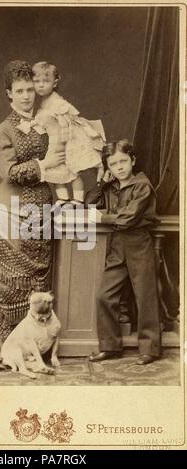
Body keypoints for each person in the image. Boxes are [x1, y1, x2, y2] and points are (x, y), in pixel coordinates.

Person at [0, 61, 64, 368]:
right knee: (8, 280)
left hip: (42, 208)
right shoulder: (3, 129)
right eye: (19, 91)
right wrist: (46, 164)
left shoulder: (48, 121)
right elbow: (8, 172)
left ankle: (33, 348)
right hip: (11, 209)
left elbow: (67, 155)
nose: (26, 96)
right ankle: (1, 346)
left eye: (29, 90)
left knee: (37, 280)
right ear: (9, 94)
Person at [85, 139, 161, 365]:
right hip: (117, 244)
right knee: (105, 296)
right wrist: (101, 182)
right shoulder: (111, 186)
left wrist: (104, 217)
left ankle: (150, 349)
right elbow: (89, 202)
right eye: (113, 163)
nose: (119, 167)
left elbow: (128, 219)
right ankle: (109, 346)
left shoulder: (142, 185)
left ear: (133, 161)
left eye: (123, 161)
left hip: (138, 243)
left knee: (145, 295)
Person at [25, 61, 105, 207]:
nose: (41, 85)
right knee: (53, 170)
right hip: (54, 139)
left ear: (55, 83)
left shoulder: (57, 102)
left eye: (46, 81)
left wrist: (66, 144)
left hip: (65, 139)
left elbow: (67, 122)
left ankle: (78, 200)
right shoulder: (44, 102)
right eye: (36, 81)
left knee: (72, 169)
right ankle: (63, 199)